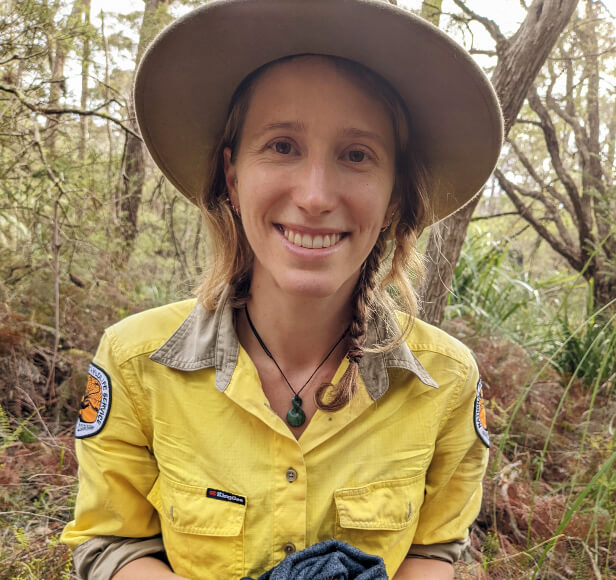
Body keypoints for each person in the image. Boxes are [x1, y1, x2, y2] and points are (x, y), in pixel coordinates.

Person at [61, 0, 502, 578]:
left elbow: (433, 549)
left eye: (356, 154)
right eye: (282, 146)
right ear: (232, 173)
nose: (316, 195)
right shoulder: (134, 363)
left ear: (394, 196)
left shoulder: (446, 382)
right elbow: (111, 544)